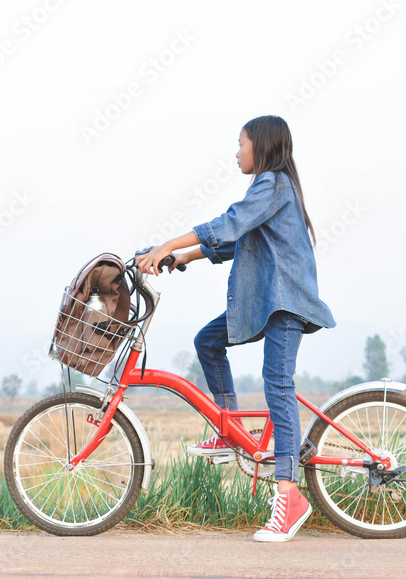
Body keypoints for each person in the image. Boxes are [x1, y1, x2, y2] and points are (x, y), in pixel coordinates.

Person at [135, 114, 335, 543]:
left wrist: (170, 244)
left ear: (260, 146)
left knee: (277, 384)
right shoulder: (270, 189)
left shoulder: (274, 184)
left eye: (240, 143)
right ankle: (228, 429)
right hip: (264, 300)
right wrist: (184, 258)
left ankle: (289, 495)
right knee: (207, 341)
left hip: (283, 302)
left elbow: (229, 223)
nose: (236, 151)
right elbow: (236, 240)